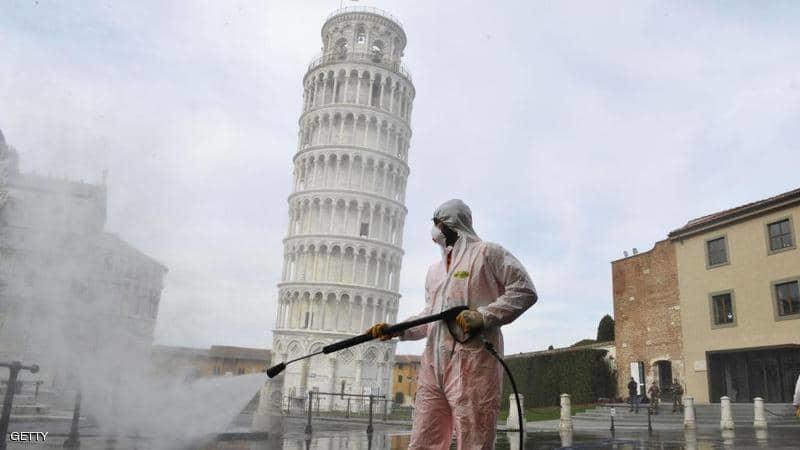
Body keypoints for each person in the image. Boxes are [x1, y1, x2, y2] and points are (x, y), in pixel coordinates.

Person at [367, 199, 537, 450]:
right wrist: (396, 329)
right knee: (424, 440)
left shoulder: (487, 253)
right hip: (433, 367)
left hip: (473, 365)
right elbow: (431, 316)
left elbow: (524, 290)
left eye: (438, 223)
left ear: (452, 223)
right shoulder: (434, 271)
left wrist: (484, 316)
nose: (435, 230)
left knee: (474, 441)